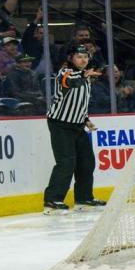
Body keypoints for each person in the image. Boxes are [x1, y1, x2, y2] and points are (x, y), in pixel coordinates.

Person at [43, 45, 106, 215]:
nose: (83, 60)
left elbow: (80, 102)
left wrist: (86, 119)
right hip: (60, 124)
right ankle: (52, 201)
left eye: (85, 56)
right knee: (66, 163)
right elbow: (68, 83)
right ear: (71, 58)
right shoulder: (65, 72)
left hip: (78, 125)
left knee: (87, 162)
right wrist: (83, 76)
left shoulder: (86, 77)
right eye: (79, 57)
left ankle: (83, 198)